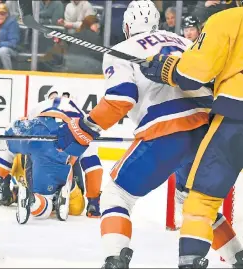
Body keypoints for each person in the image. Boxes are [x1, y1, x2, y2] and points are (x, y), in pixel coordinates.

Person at [51, 1, 225, 267]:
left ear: (127, 26)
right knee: (198, 203)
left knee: (117, 196)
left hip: (167, 131)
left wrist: (84, 128)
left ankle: (115, 259)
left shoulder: (122, 49)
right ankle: (237, 257)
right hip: (211, 131)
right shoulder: (186, 42)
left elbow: (121, 99)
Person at [140, 3, 243, 268]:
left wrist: (166, 67)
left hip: (236, 115)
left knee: (202, 198)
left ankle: (191, 261)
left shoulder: (228, 19)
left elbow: (193, 72)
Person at [0, 91, 103, 222]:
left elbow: (7, 144)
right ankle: (46, 195)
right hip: (60, 141)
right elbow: (92, 165)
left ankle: (0, 188)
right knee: (65, 208)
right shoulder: (82, 118)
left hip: (33, 131)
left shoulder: (38, 107)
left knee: (6, 143)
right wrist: (94, 201)